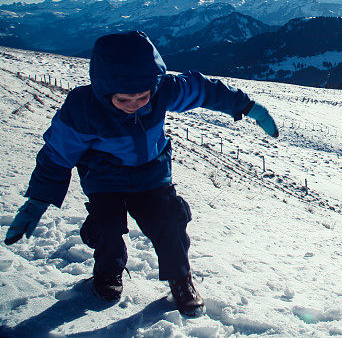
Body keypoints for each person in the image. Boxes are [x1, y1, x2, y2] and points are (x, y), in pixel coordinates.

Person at [4, 31, 279, 317]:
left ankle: (180, 280)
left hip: (152, 175)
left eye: (142, 98)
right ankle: (108, 274)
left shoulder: (163, 91)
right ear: (104, 91)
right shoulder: (83, 109)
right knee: (107, 227)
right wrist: (37, 201)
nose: (135, 105)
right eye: (124, 100)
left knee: (171, 220)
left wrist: (248, 107)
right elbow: (56, 156)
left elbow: (204, 90)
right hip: (105, 179)